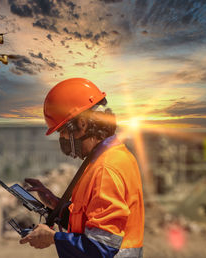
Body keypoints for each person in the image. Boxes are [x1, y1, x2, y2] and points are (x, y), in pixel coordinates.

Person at [20, 78, 144, 258]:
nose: (62, 138)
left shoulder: (105, 169)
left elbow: (101, 248)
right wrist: (56, 204)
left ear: (83, 124)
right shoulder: (111, 156)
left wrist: (53, 238)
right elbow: (92, 222)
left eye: (63, 130)